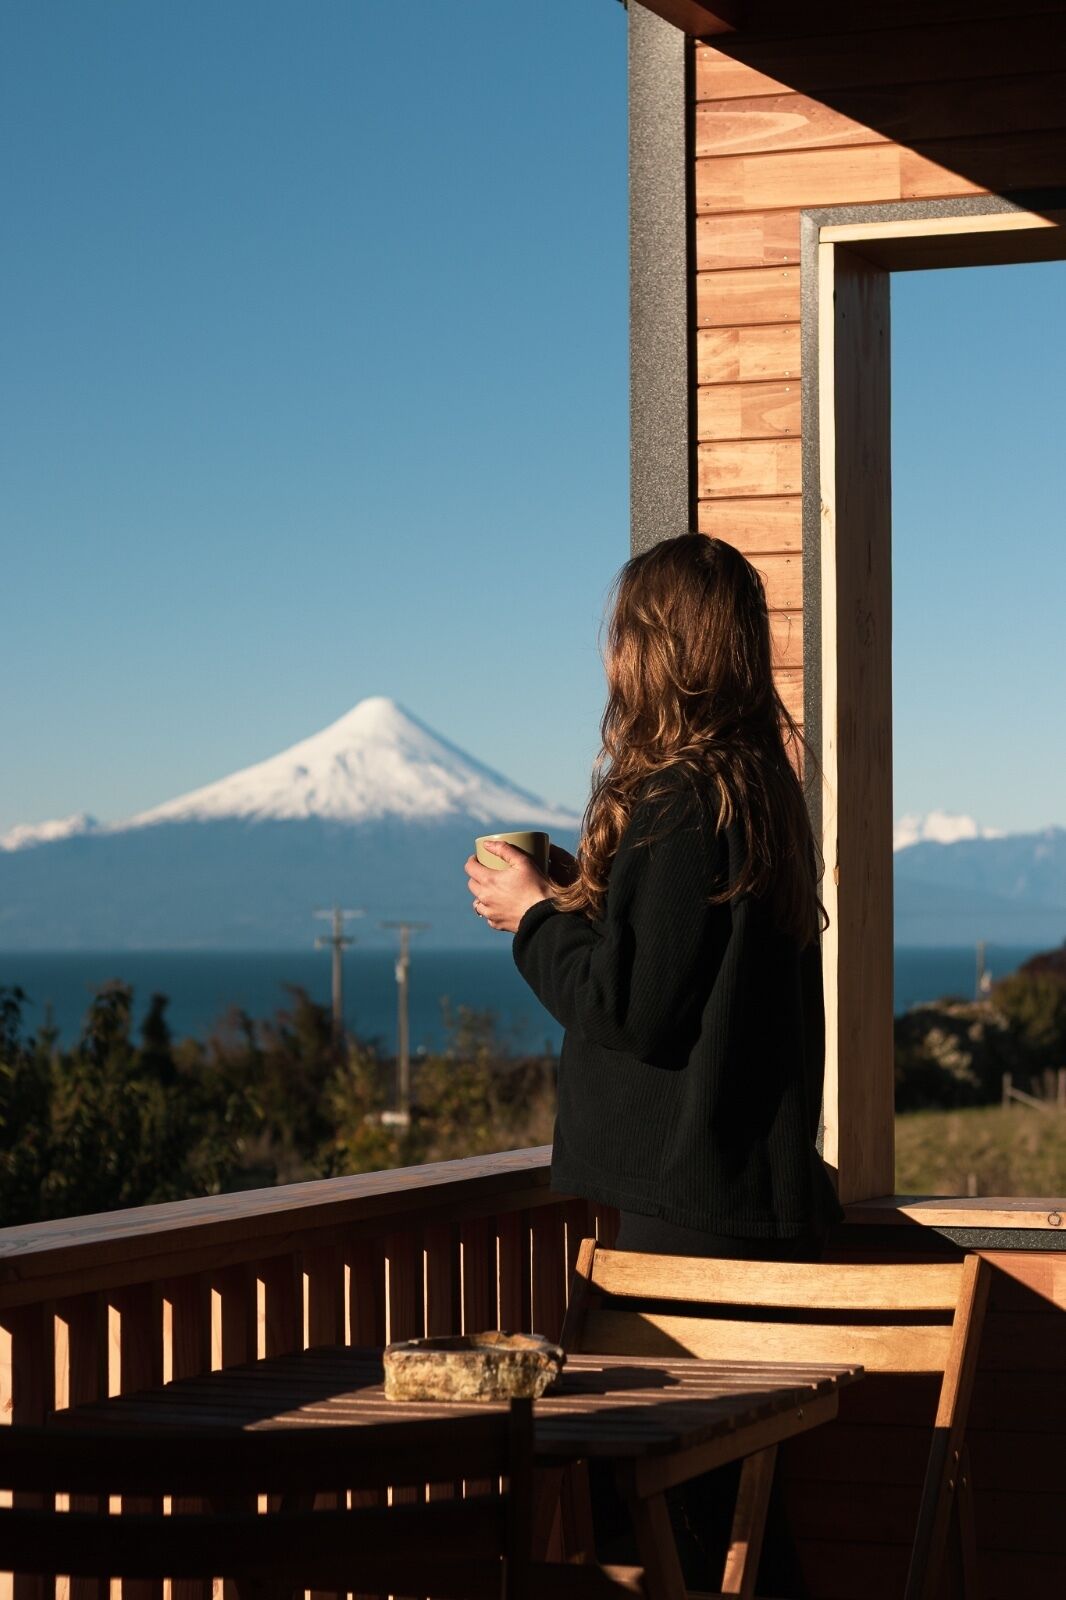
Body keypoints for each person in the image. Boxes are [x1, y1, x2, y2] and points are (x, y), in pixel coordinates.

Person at [463, 533, 843, 1591]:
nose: (608, 657)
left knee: (668, 1515)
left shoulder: (679, 796)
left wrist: (535, 917)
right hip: (751, 1204)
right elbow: (682, 960)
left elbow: (633, 1006)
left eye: (621, 634)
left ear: (652, 646)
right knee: (735, 1521)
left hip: (686, 1215)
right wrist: (589, 888)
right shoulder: (756, 788)